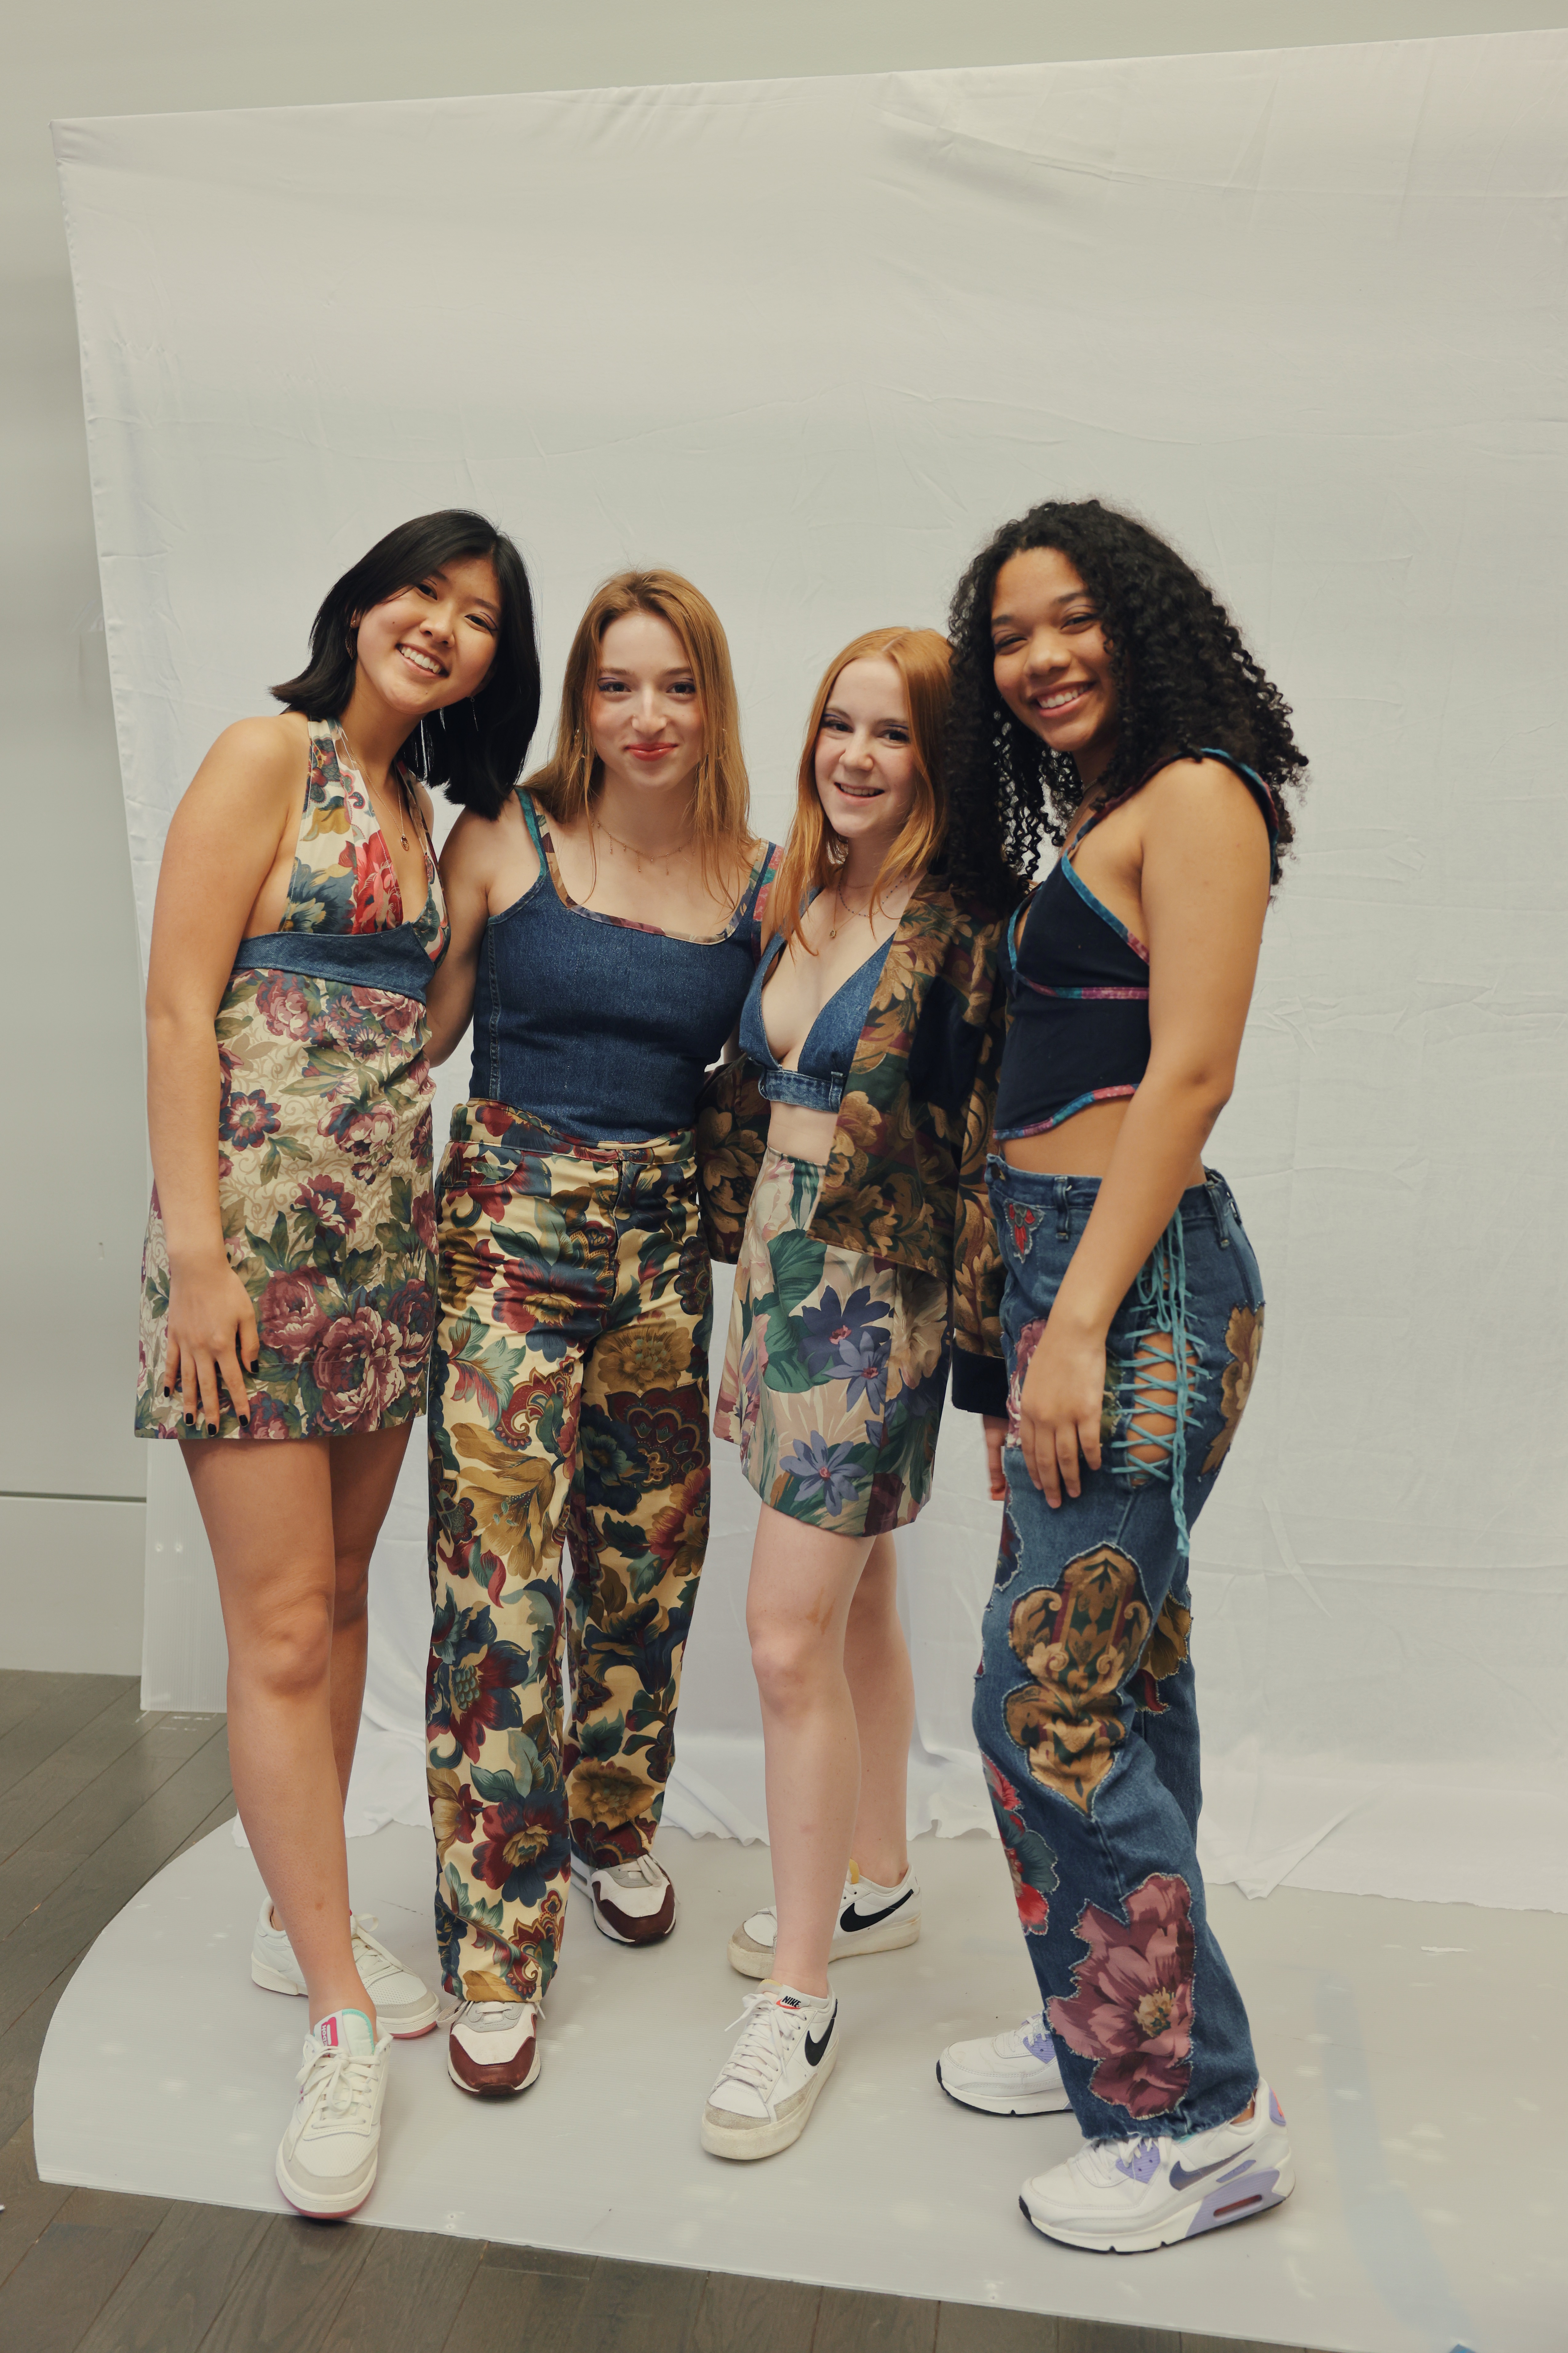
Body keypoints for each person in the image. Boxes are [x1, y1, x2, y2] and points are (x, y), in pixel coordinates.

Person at [137, 511, 540, 2215]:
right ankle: (338, 2013)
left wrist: (499, 912)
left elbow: (408, 1034)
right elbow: (180, 1006)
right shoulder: (269, 755)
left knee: (347, 1597)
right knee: (285, 1627)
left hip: (385, 1248)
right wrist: (201, 1260)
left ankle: (292, 1909)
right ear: (362, 603)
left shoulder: (426, 816)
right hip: (250, 1256)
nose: (439, 626)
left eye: (476, 616)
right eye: (420, 592)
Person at [929, 498, 1308, 2251]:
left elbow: (1190, 1073)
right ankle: (1106, 2009)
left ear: (1142, 621)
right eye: (1010, 636)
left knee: (1045, 1693)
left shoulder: (1200, 796)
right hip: (1055, 1271)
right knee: (1125, 1675)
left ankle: (1197, 2115)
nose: (1041, 657)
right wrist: (1028, 1320)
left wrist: (1077, 1322)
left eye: (1072, 618)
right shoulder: (1098, 811)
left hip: (1134, 1284)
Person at [421, 569, 779, 2097]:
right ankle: (497, 1945)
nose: (648, 716)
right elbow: (418, 1029)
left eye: (677, 686)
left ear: (713, 704)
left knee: (646, 1562)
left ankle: (612, 1817)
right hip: (505, 1234)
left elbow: (780, 1076)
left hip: (660, 1252)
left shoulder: (763, 878)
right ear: (582, 699)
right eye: (618, 684)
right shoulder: (505, 832)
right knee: (500, 1594)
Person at [694, 628, 1009, 2161]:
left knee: (782, 1633)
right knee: (860, 1592)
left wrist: (996, 1366)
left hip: (876, 1296)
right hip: (778, 1267)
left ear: (939, 759)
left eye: (893, 733)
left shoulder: (963, 928)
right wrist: (740, 1309)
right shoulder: (800, 893)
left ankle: (801, 1996)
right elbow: (759, 1112)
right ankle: (877, 1872)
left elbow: (991, 1150)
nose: (858, 756)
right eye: (840, 722)